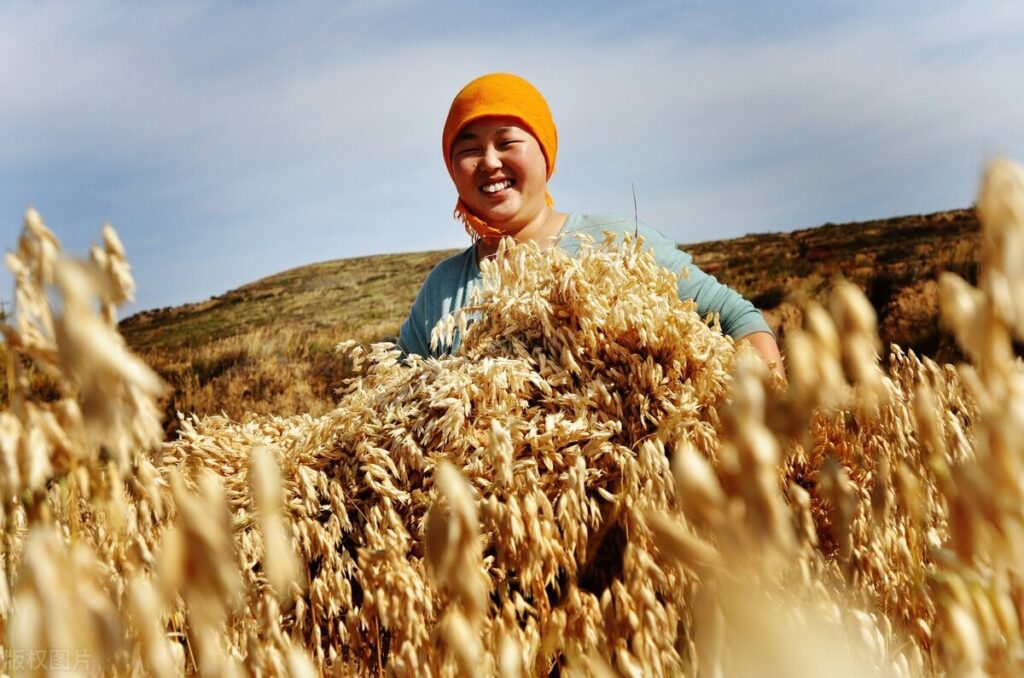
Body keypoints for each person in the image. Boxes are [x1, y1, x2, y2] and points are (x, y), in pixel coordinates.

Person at [398, 73, 785, 379]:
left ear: (544, 153)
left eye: (507, 142)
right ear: (452, 169)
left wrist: (772, 419)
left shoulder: (614, 241)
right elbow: (391, 395)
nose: (489, 162)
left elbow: (734, 318)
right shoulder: (443, 289)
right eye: (468, 149)